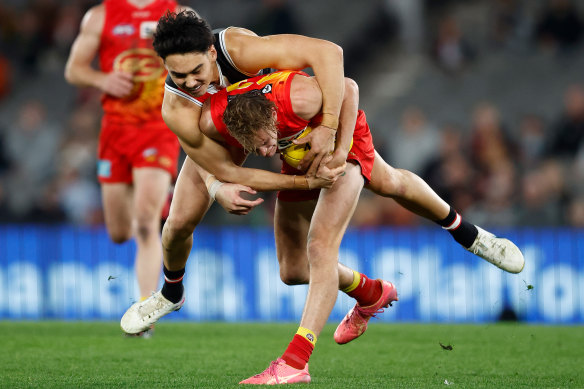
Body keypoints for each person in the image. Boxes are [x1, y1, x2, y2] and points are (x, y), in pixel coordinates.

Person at [204, 69, 526, 384]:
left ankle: (294, 362)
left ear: (272, 118)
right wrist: (221, 186)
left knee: (320, 247)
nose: (263, 152)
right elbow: (211, 158)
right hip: (302, 159)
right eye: (254, 149)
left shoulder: (297, 98)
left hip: (344, 141)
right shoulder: (217, 117)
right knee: (294, 268)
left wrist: (340, 150)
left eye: (263, 142)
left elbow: (348, 87)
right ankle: (370, 291)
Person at [120, 10, 349, 336]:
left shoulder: (237, 50)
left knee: (382, 182)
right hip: (223, 137)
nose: (189, 82)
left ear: (211, 53)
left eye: (196, 70)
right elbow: (218, 165)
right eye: (178, 74)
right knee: (177, 224)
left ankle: (445, 223)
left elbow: (329, 53)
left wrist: (327, 126)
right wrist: (217, 188)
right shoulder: (177, 106)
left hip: (280, 115)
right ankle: (172, 292)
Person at [64, 0, 191, 336]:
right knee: (120, 232)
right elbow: (73, 69)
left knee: (148, 223)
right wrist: (103, 79)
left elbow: (203, 62)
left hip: (158, 127)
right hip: (115, 133)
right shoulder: (102, 15)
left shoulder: (176, 15)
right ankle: (156, 199)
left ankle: (145, 312)